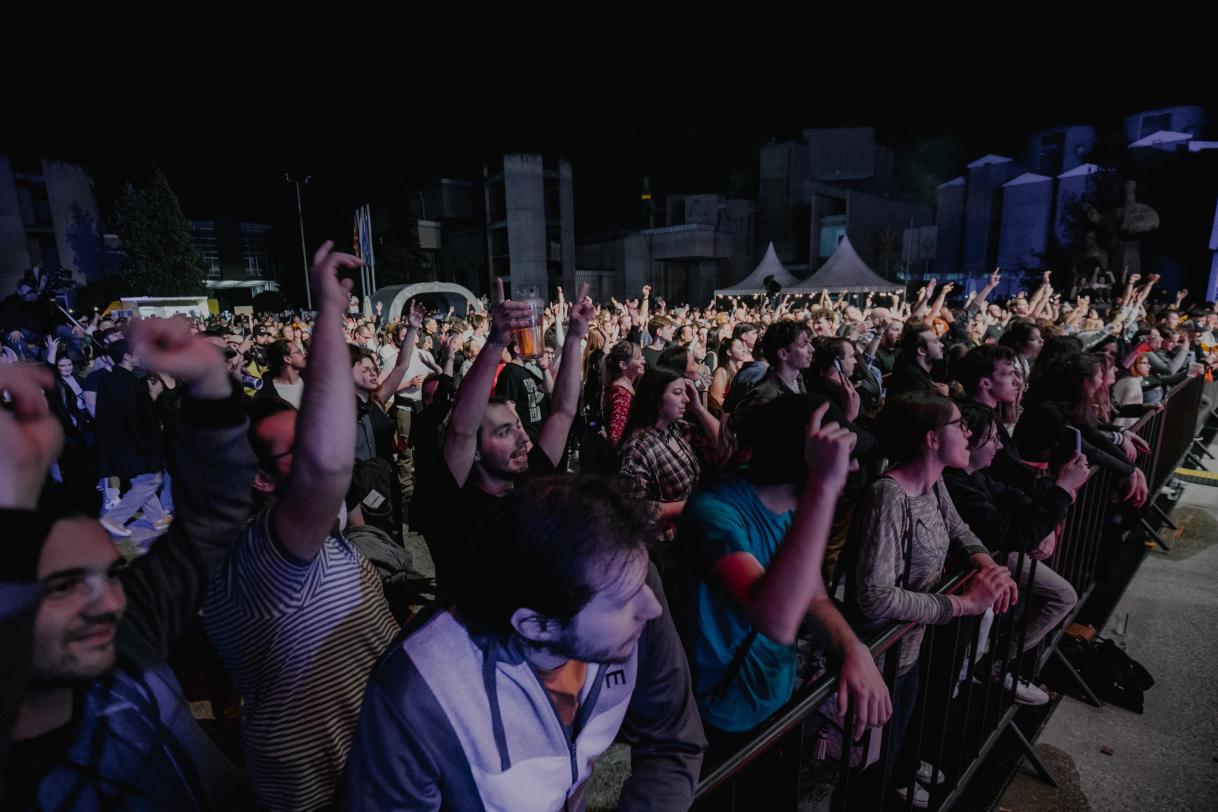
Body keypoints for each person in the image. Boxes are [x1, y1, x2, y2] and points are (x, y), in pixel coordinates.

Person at [0, 320, 257, 810]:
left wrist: (211, 386)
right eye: (64, 585)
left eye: (110, 573)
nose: (109, 600)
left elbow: (215, 515)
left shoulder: (124, 638)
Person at [340, 475, 706, 810]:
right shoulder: (416, 697)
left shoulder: (630, 584)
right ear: (536, 625)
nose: (653, 607)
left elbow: (673, 740)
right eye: (623, 602)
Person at [202, 243, 400, 812]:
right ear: (260, 481)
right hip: (317, 781)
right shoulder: (259, 556)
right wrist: (330, 314)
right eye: (296, 450)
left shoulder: (293, 546)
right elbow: (328, 466)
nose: (316, 450)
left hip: (364, 759)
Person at [674, 395, 890, 807]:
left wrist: (852, 647)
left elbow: (812, 595)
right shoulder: (715, 513)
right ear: (805, 460)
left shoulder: (795, 509)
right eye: (845, 458)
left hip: (775, 704)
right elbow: (775, 618)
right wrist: (823, 489)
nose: (855, 468)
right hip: (717, 721)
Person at [847, 392, 1016, 798]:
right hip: (878, 663)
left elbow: (958, 529)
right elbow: (874, 596)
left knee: (886, 763)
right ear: (931, 439)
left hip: (907, 653)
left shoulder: (933, 482)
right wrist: (963, 604)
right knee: (864, 774)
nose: (969, 432)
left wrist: (986, 564)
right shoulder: (888, 496)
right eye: (959, 425)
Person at [425, 280, 594, 594]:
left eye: (516, 426)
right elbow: (462, 430)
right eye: (504, 431)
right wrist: (496, 341)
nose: (520, 438)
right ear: (474, 451)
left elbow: (563, 413)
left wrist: (574, 337)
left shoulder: (531, 478)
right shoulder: (455, 504)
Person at [942, 403, 1086, 704]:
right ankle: (991, 667)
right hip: (982, 566)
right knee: (1061, 596)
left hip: (993, 560)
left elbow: (1012, 495)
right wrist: (1060, 492)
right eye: (992, 438)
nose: (998, 445)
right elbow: (1010, 534)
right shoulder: (955, 483)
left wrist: (1047, 516)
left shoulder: (975, 477)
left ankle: (990, 664)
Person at [617, 367, 707, 542]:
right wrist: (691, 505)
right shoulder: (638, 445)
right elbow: (635, 509)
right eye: (677, 393)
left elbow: (720, 445)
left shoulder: (675, 429)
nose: (686, 399)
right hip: (662, 544)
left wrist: (699, 409)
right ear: (656, 397)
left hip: (688, 534)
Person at [94, 340, 170, 539]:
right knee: (151, 480)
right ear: (127, 356)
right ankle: (114, 519)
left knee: (143, 483)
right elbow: (135, 416)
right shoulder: (126, 382)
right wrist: (153, 395)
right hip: (134, 445)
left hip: (122, 445)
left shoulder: (112, 380)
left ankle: (158, 518)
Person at [603, 340, 645, 449]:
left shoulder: (624, 388)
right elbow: (615, 437)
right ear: (623, 365)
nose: (643, 361)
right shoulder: (621, 394)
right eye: (638, 358)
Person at [887, 322, 946, 399]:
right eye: (935, 342)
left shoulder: (909, 364)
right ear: (921, 351)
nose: (942, 345)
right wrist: (944, 397)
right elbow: (925, 410)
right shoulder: (911, 378)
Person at [258, 338, 307, 408]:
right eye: (298, 352)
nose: (304, 354)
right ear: (287, 359)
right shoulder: (268, 394)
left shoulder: (310, 378)